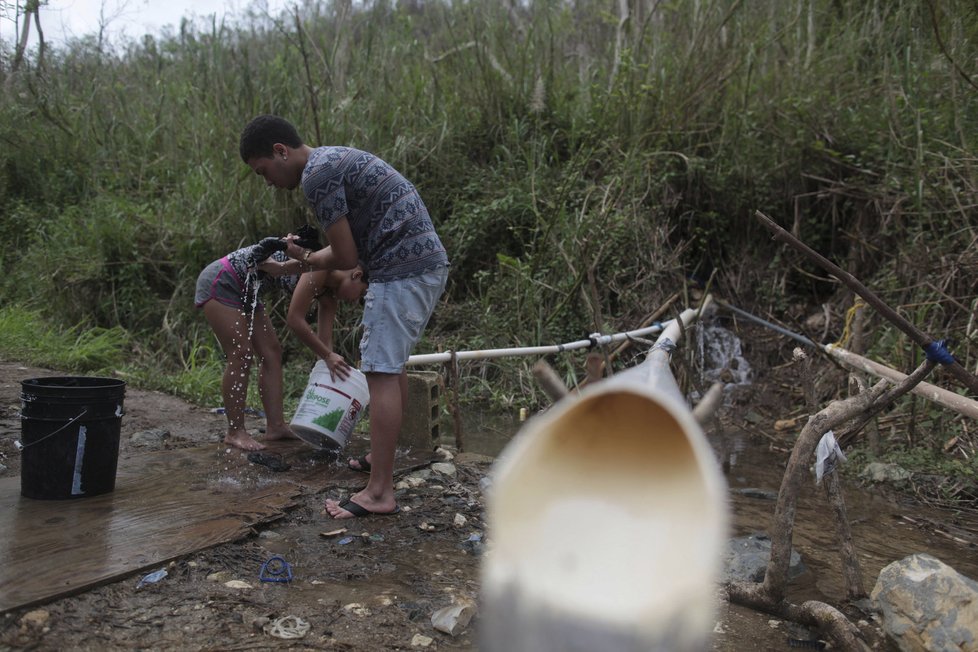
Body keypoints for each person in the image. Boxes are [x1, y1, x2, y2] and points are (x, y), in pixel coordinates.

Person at [239, 114, 450, 519]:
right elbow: (345, 251)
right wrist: (301, 263)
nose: (267, 181)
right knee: (392, 366)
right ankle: (380, 459)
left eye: (263, 171)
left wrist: (301, 257)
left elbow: (346, 257)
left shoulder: (316, 175)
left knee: (380, 372)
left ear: (281, 151)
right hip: (421, 262)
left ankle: (379, 493)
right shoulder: (331, 160)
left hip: (401, 268)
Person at [194, 236, 367, 451]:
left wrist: (332, 379)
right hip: (224, 279)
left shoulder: (329, 298)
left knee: (272, 352)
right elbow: (294, 319)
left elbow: (325, 346)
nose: (355, 301)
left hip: (250, 292)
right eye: (361, 294)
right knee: (241, 354)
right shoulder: (319, 269)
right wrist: (328, 356)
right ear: (356, 275)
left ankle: (275, 427)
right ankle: (235, 432)